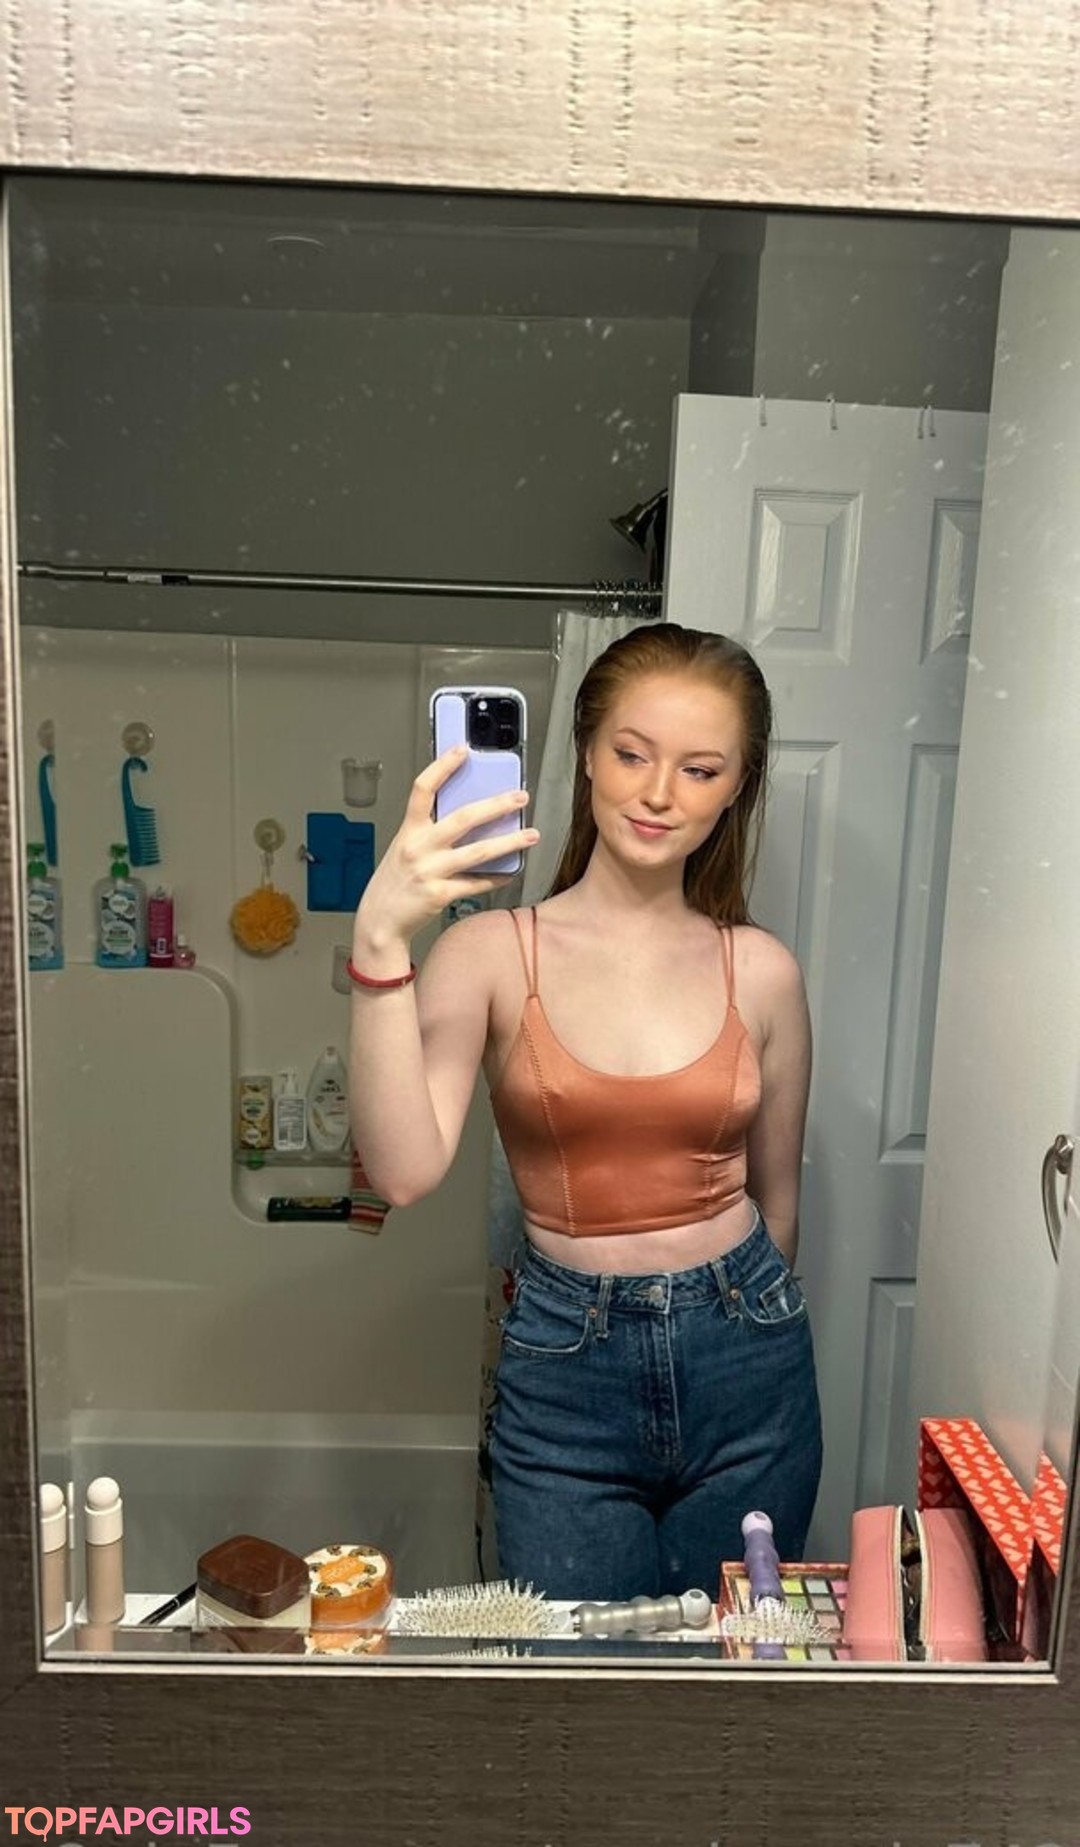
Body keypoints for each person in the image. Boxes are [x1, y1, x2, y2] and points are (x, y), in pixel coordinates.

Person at [348, 623, 822, 1601]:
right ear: (588, 754)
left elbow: (780, 1205)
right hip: (566, 1374)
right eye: (632, 754)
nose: (659, 793)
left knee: (734, 1661)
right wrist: (380, 936)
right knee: (573, 1675)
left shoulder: (764, 971)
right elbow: (400, 1170)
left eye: (700, 769)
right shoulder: (488, 953)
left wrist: (746, 1318)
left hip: (751, 1367)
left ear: (737, 786)